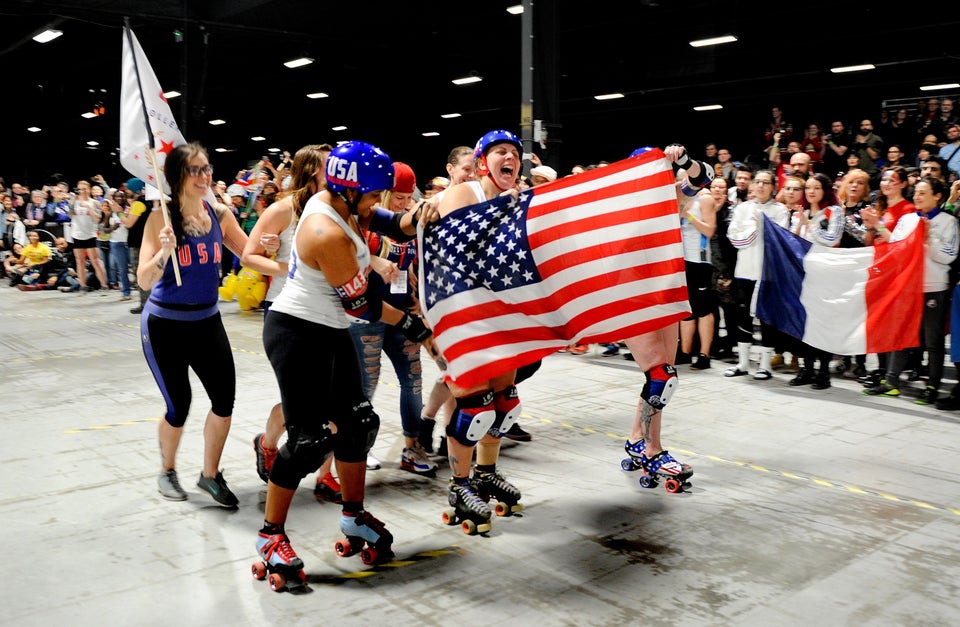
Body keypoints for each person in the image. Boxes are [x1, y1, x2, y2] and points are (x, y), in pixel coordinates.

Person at [256, 141, 434, 574]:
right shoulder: (325, 229)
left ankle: (353, 515)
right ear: (350, 190)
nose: (376, 202)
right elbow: (364, 307)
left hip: (330, 328)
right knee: (308, 440)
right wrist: (416, 327)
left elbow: (396, 223)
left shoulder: (345, 200)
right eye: (373, 194)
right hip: (297, 333)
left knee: (358, 424)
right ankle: (270, 535)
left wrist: (425, 215)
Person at [137, 142, 249, 506]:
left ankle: (210, 475)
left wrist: (267, 244)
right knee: (179, 404)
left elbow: (248, 254)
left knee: (224, 401)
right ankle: (166, 470)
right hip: (164, 327)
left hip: (207, 322)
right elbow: (143, 280)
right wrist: (165, 251)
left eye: (207, 168)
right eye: (195, 170)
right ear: (177, 177)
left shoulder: (220, 214)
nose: (205, 176)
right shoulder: (159, 220)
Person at [241, 144, 342, 502]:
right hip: (287, 311)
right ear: (313, 170)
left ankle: (325, 476)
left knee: (337, 403)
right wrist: (285, 267)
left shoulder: (337, 207)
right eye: (331, 165)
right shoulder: (283, 209)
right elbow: (247, 255)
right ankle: (267, 443)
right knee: (300, 404)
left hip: (332, 312)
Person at [348, 160, 438, 475]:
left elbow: (408, 264)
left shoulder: (409, 221)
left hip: (401, 313)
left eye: (407, 197)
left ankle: (412, 448)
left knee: (413, 380)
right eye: (397, 198)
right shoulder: (366, 220)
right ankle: (359, 448)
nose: (403, 203)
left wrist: (413, 291)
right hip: (367, 315)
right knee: (366, 386)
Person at [864, 176, 957, 402]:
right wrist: (879, 226)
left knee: (932, 339)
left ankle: (932, 386)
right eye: (916, 192)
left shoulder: (948, 221)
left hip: (933, 287)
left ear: (938, 196)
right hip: (906, 286)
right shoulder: (907, 219)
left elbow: (949, 256)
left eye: (923, 193)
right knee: (900, 334)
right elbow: (895, 248)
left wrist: (927, 240)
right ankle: (891, 381)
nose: (917, 196)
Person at [725, 170, 790, 379]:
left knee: (766, 318)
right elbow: (734, 237)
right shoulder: (743, 208)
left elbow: (779, 242)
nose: (761, 186)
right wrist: (755, 228)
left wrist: (763, 226)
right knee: (742, 316)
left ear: (773, 187)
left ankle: (765, 365)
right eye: (758, 182)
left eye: (766, 182)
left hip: (767, 273)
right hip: (744, 270)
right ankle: (743, 363)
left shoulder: (780, 211)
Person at [786, 173, 844, 389]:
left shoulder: (834, 211)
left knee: (823, 323)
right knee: (804, 323)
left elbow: (832, 239)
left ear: (825, 190)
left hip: (826, 274)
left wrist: (809, 224)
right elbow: (792, 242)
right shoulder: (799, 212)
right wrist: (800, 225)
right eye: (808, 187)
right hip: (803, 273)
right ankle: (807, 368)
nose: (811, 191)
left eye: (816, 187)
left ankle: (823, 372)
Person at [69, 180, 109, 292]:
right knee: (80, 261)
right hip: (77, 233)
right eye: (80, 189)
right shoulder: (74, 201)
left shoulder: (94, 202)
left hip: (90, 234)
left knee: (95, 260)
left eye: (84, 189)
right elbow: (70, 215)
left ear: (89, 189)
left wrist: (89, 208)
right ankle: (83, 285)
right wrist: (72, 202)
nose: (82, 191)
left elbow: (97, 219)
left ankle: (104, 284)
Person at [123, 178, 151, 314]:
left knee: (141, 274)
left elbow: (128, 223)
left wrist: (119, 212)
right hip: (148, 241)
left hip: (138, 244)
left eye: (128, 188)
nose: (126, 191)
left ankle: (145, 304)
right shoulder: (149, 201)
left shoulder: (138, 204)